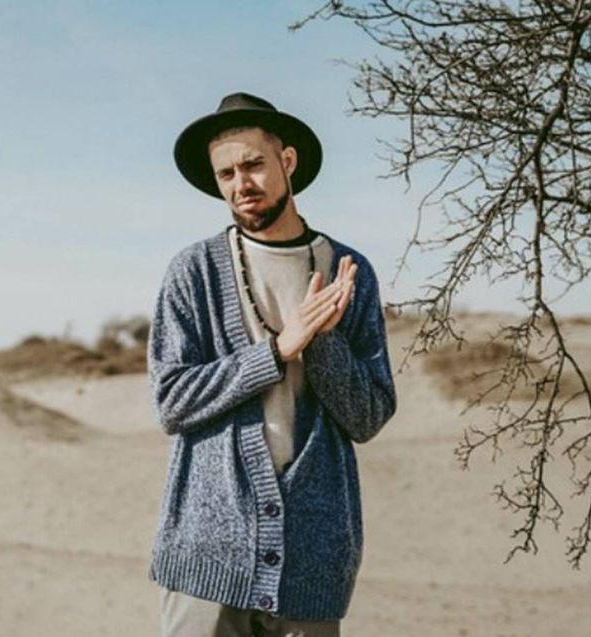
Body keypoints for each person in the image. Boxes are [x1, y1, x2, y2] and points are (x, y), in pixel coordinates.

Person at [146, 92, 398, 637]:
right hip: (207, 560)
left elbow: (369, 417)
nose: (241, 184)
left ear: (287, 161)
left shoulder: (349, 272)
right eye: (227, 173)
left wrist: (323, 343)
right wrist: (278, 351)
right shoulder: (193, 271)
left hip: (312, 561)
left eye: (254, 164)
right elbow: (171, 401)